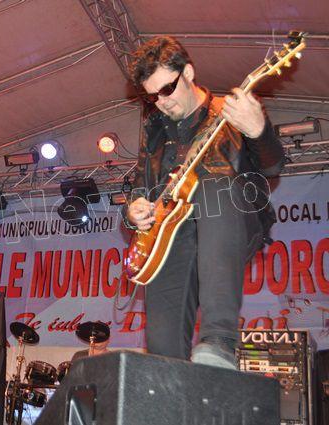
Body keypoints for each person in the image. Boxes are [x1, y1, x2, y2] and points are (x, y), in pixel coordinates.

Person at [124, 36, 285, 369]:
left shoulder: (230, 112)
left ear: (188, 73)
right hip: (172, 235)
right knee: (162, 353)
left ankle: (219, 341)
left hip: (227, 216)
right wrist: (133, 211)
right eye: (152, 96)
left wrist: (259, 131)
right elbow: (140, 187)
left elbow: (272, 167)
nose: (161, 102)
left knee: (213, 184)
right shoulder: (154, 130)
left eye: (167, 90)